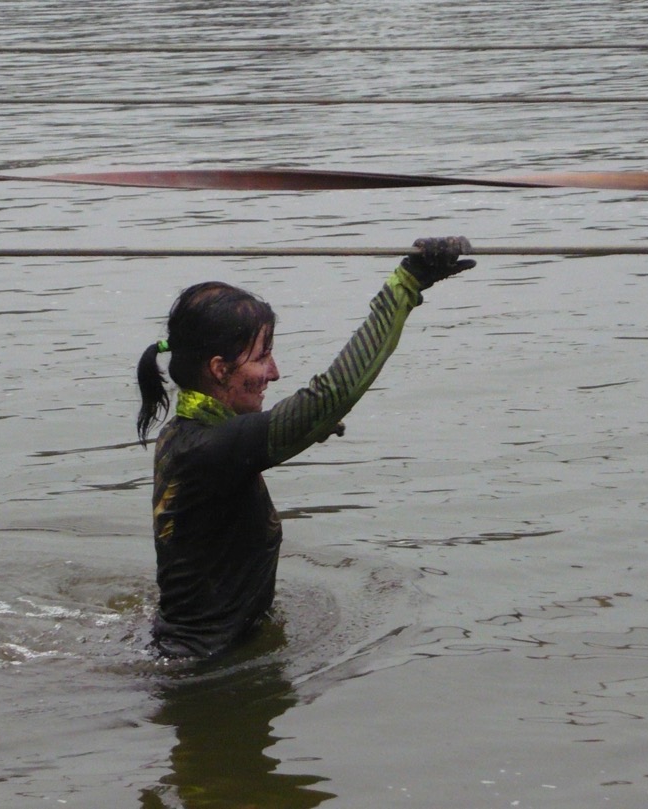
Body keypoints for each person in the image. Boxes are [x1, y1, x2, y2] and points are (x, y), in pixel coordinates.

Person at [136, 236, 476, 658]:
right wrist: (407, 283)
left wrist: (308, 427)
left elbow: (250, 443)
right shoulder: (211, 448)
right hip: (200, 668)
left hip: (193, 653)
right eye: (262, 358)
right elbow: (331, 394)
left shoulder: (186, 434)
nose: (275, 373)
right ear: (220, 370)